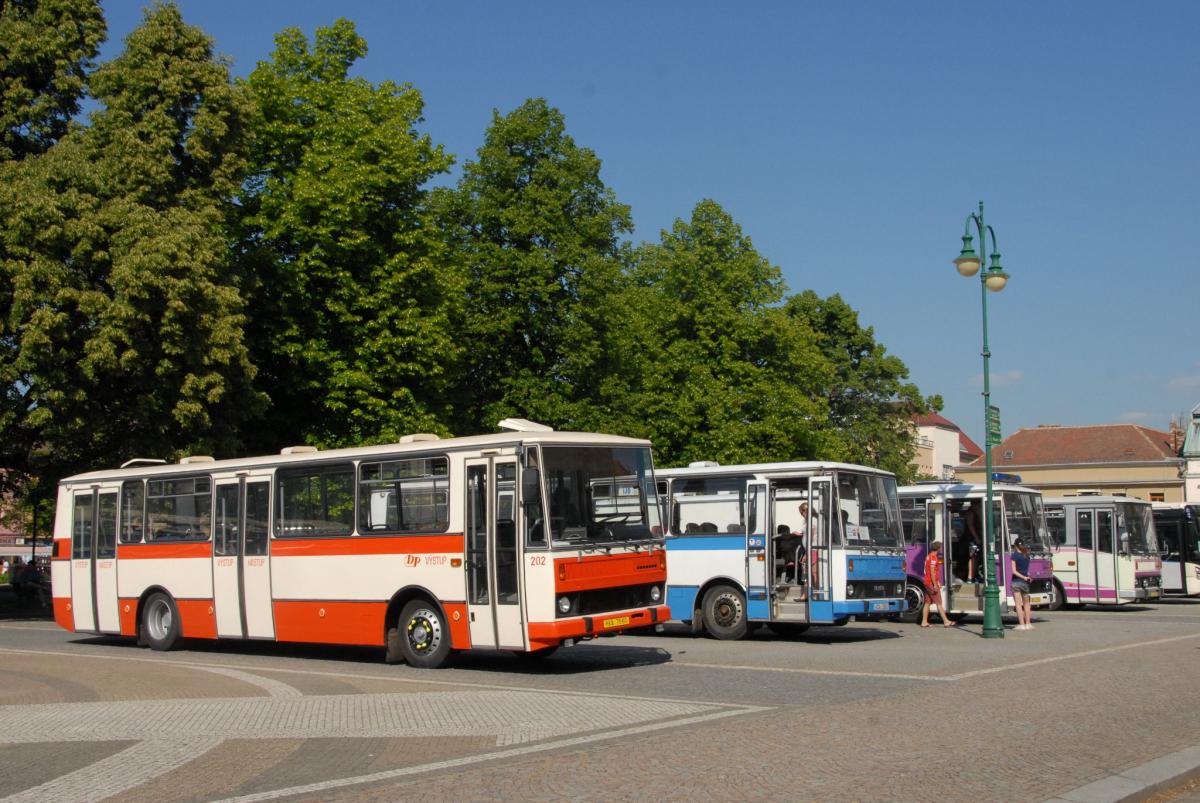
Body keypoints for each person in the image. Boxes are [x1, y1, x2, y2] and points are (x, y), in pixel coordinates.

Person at [921, 541, 956, 628]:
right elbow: (932, 572)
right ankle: (946, 621)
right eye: (941, 547)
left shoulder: (929, 556)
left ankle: (924, 621)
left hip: (926, 582)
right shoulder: (933, 558)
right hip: (931, 583)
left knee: (927, 602)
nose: (942, 549)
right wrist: (935, 584)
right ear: (938, 548)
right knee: (939, 603)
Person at [1010, 538, 1034, 630]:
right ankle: (1028, 624)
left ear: (1015, 546)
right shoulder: (1026, 556)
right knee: (1027, 603)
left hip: (1016, 581)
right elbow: (1026, 571)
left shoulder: (1014, 555)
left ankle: (1021, 624)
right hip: (1026, 582)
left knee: (1018, 604)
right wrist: (1026, 577)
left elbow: (1014, 571)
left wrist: (1022, 577)